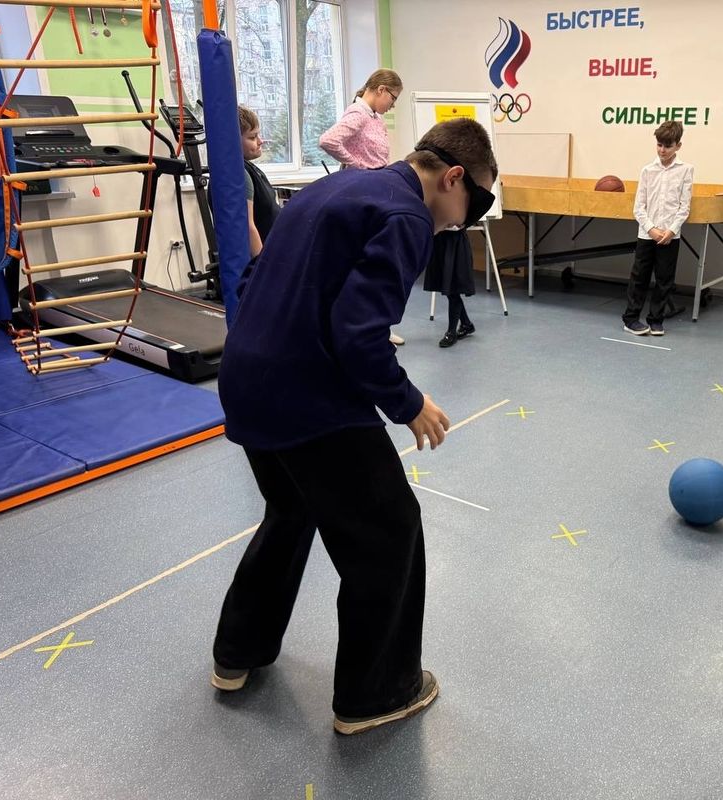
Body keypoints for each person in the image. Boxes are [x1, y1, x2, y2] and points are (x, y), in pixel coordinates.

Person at [209, 117, 498, 736]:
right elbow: (358, 334)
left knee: (290, 510)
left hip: (245, 377)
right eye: (470, 209)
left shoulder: (331, 187)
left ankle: (237, 653)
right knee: (390, 533)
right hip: (306, 396)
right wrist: (408, 402)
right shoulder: (407, 216)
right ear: (453, 178)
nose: (459, 225)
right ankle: (376, 694)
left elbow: (253, 277)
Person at [319, 68, 406, 345]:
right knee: (365, 261)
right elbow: (328, 140)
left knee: (377, 261)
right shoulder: (358, 113)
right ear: (381, 89)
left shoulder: (374, 117)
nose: (392, 105)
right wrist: (358, 166)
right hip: (362, 193)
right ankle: (359, 325)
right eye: (393, 98)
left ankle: (376, 325)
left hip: (376, 189)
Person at [622, 120, 694, 336]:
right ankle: (631, 319)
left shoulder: (686, 170)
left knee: (664, 279)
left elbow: (684, 207)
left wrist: (671, 230)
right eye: (659, 145)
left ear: (678, 146)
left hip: (670, 236)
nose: (662, 150)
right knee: (639, 277)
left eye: (668, 146)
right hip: (647, 234)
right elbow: (638, 207)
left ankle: (656, 320)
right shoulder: (647, 171)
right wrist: (651, 229)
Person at [424, 227, 476, 348]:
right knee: (449, 287)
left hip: (455, 240)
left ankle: (451, 332)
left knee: (452, 288)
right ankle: (466, 324)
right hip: (439, 239)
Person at [239, 106, 280, 258]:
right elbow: (248, 226)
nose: (260, 141)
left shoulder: (251, 169)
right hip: (263, 258)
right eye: (252, 137)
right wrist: (260, 266)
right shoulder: (241, 175)